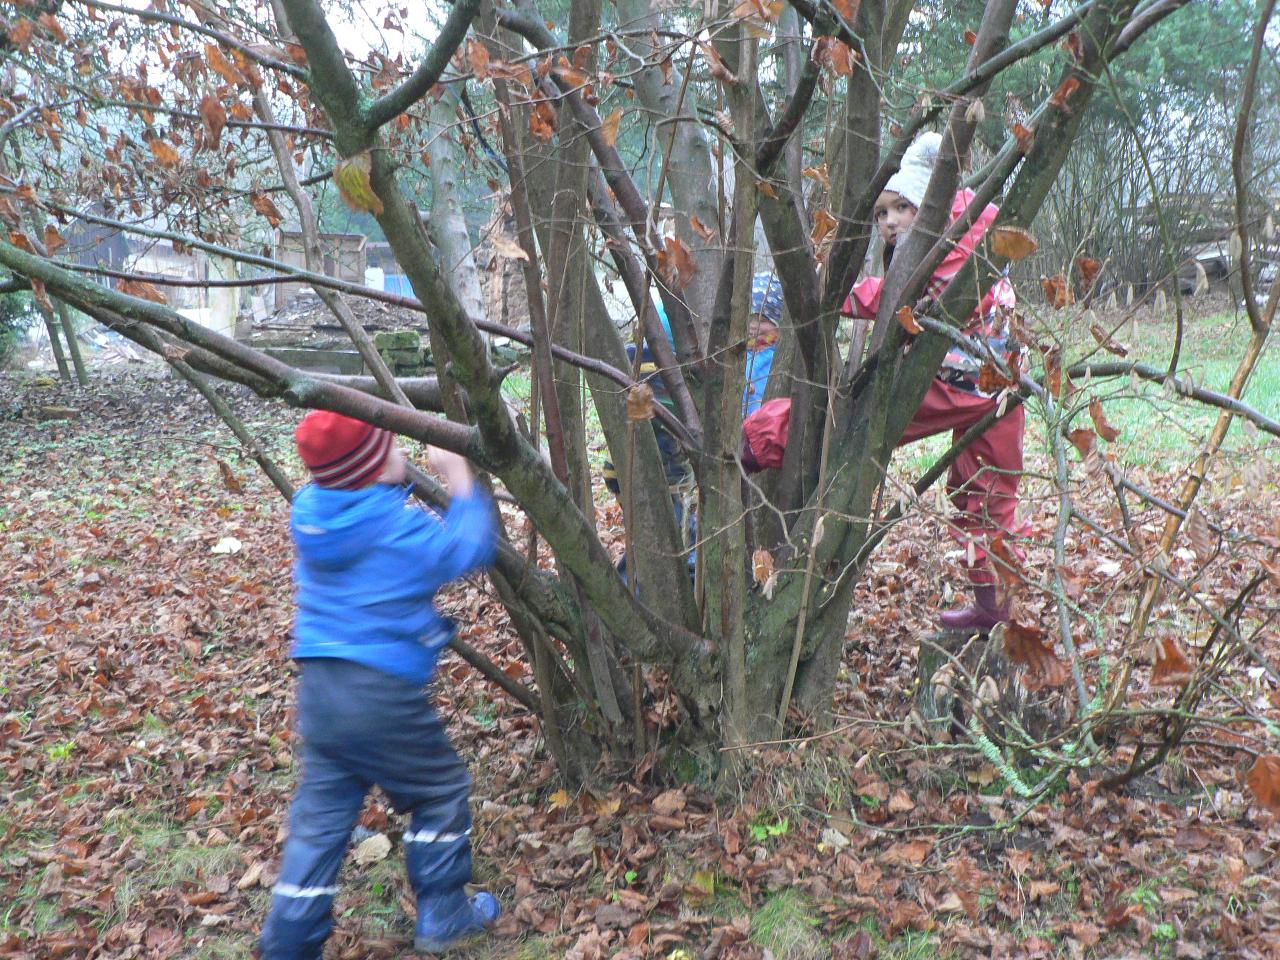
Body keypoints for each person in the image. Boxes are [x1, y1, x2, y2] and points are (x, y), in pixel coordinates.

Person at [741, 132, 1024, 632]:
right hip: (1004, 382)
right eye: (881, 213)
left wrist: (833, 294)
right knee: (987, 489)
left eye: (902, 207)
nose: (889, 222)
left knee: (854, 415)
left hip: (961, 379)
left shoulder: (946, 244)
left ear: (930, 206)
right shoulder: (973, 225)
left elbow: (889, 294)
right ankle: (994, 604)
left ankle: (755, 440)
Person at [260, 411, 500, 959]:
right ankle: (444, 912)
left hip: (321, 692)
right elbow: (467, 548)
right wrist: (459, 477)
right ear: (368, 468)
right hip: (380, 693)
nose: (403, 454)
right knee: (438, 790)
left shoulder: (312, 514)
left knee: (320, 821)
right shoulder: (395, 528)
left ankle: (289, 940)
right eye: (390, 448)